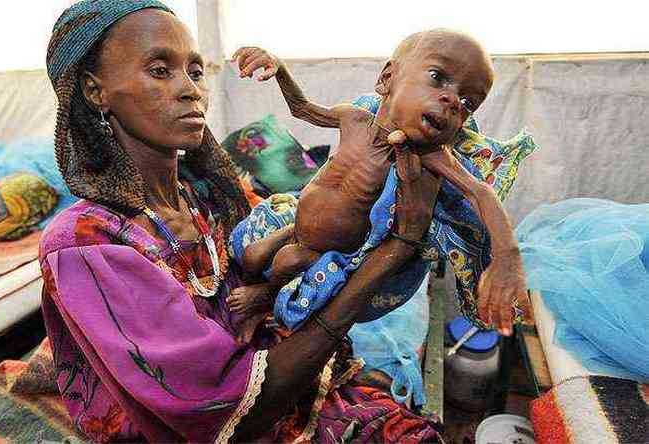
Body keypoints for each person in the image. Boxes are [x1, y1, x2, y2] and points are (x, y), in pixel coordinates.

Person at [40, 1, 443, 442]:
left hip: (281, 378)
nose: (191, 89)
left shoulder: (205, 196)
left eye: (195, 72)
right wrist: (397, 248)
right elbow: (230, 412)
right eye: (160, 70)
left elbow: (278, 267)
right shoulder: (89, 243)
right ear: (95, 91)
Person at [226, 31, 527, 338]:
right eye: (438, 77)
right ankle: (260, 292)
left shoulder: (428, 156)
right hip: (297, 227)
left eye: (468, 103)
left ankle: (264, 301)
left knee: (287, 261)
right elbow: (301, 107)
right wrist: (280, 70)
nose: (452, 101)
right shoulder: (352, 118)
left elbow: (480, 191)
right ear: (387, 78)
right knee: (251, 256)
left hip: (330, 250)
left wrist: (507, 255)